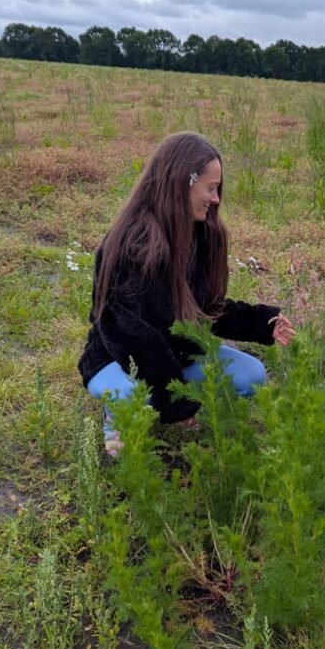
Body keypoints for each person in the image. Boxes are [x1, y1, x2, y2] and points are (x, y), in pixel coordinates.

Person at [78, 131, 295, 455]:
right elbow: (128, 334)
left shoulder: (205, 235)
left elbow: (208, 309)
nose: (216, 199)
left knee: (252, 375)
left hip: (179, 355)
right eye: (210, 188)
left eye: (218, 189)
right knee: (132, 397)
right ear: (181, 183)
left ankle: (162, 399)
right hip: (120, 359)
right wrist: (175, 402)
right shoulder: (127, 245)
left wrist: (262, 322)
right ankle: (118, 413)